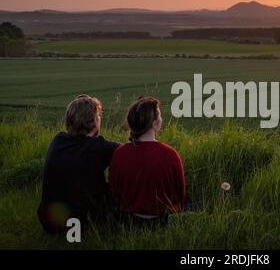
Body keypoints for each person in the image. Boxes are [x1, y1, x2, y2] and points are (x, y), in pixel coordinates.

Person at [37, 95, 119, 233]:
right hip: (84, 224)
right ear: (93, 121)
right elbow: (130, 152)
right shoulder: (98, 147)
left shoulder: (58, 140)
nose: (100, 118)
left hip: (50, 223)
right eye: (98, 115)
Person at [109, 96, 185, 226]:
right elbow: (180, 194)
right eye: (159, 115)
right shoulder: (170, 154)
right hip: (163, 221)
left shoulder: (119, 153)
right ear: (155, 123)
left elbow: (114, 190)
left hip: (128, 221)